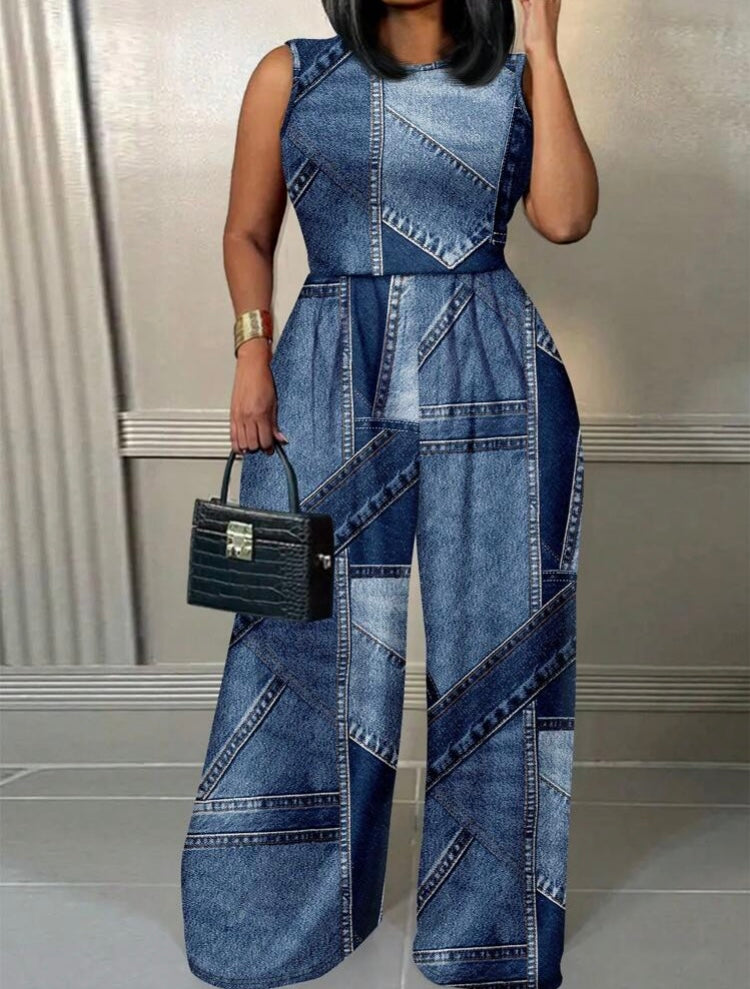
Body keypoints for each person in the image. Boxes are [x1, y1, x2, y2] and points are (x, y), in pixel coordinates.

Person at [181, 1, 598, 987]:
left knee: (500, 657)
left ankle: (485, 937)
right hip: (325, 366)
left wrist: (543, 45)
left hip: (496, 373)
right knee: (296, 644)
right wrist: (250, 353)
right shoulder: (293, 73)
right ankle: (275, 918)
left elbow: (566, 218)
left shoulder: (514, 79)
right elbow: (246, 230)